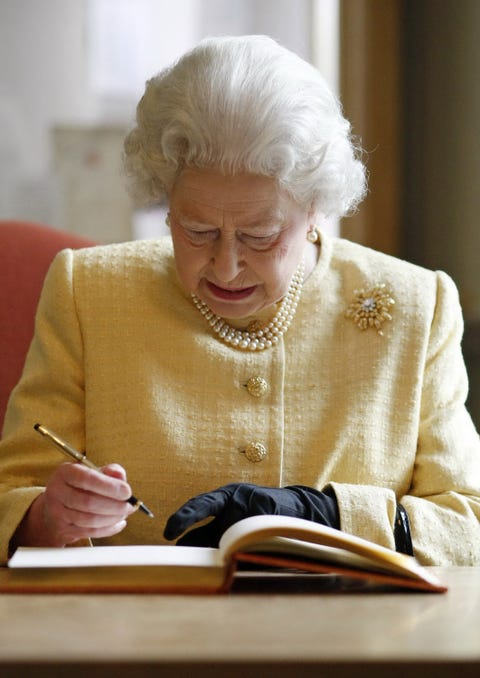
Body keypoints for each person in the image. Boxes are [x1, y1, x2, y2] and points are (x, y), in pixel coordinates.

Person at [0, 35, 479, 566]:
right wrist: (46, 517)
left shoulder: (417, 305)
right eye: (197, 229)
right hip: (136, 636)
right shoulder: (88, 291)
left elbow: (468, 524)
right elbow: (11, 495)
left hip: (351, 638)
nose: (226, 265)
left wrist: (326, 514)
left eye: (259, 235)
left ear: (317, 206)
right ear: (164, 196)